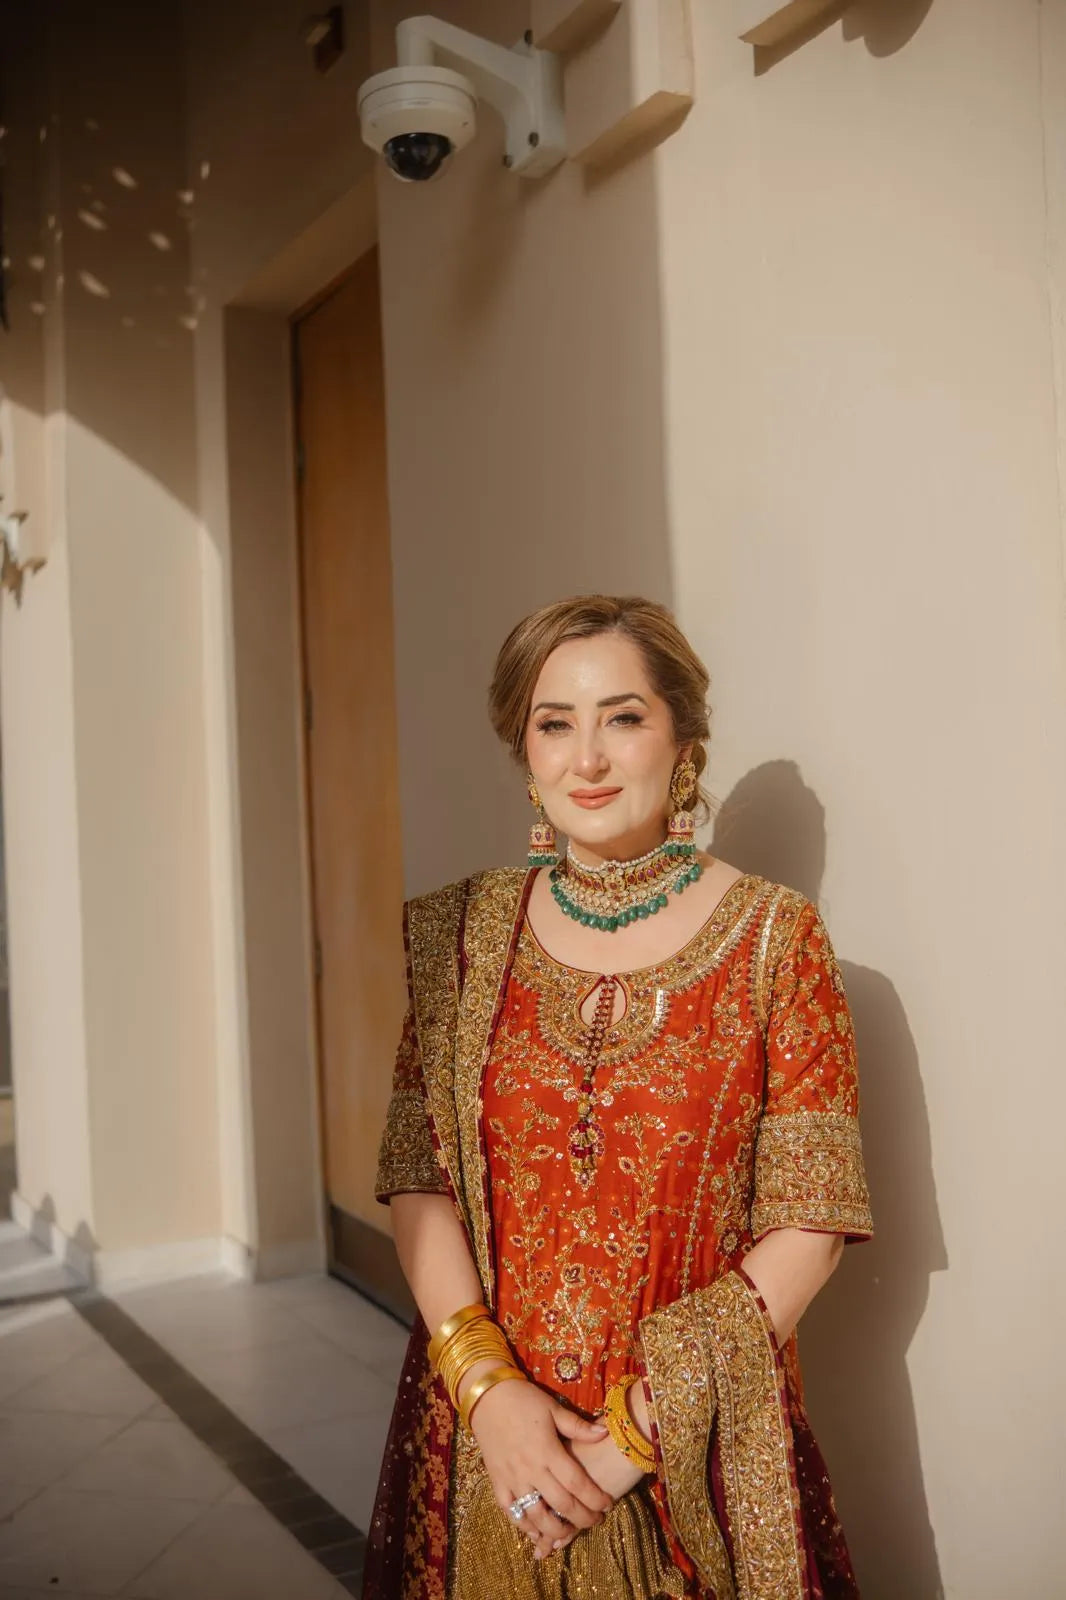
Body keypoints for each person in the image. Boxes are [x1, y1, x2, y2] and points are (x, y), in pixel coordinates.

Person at [363, 595, 873, 1600]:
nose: (586, 758)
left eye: (622, 717)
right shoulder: (460, 940)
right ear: (525, 747)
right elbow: (418, 1179)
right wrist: (489, 1393)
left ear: (681, 737)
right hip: (488, 1441)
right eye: (555, 723)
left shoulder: (776, 939)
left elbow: (811, 1222)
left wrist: (628, 1440)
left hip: (696, 1445)